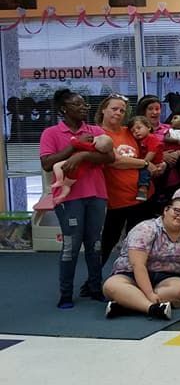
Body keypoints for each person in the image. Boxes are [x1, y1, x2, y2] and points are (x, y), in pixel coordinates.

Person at [40, 89, 115, 308]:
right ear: (64, 108)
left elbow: (109, 156)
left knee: (95, 244)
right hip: (69, 198)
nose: (84, 108)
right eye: (78, 104)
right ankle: (65, 294)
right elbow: (47, 163)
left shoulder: (94, 130)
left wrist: (82, 155)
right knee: (71, 245)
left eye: (85, 105)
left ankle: (94, 288)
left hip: (97, 194)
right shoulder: (51, 133)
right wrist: (74, 145)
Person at [102, 198, 180, 320]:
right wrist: (149, 294)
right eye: (177, 210)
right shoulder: (145, 229)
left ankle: (128, 302)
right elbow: (138, 265)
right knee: (111, 286)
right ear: (166, 210)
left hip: (166, 278)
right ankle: (152, 308)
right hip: (131, 274)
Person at [97, 95, 156, 264]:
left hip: (143, 198)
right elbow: (116, 161)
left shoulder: (129, 131)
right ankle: (92, 283)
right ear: (103, 109)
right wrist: (145, 163)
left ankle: (134, 280)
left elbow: (150, 142)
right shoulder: (99, 134)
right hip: (118, 200)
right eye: (114, 109)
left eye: (122, 110)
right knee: (108, 242)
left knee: (138, 245)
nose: (118, 113)